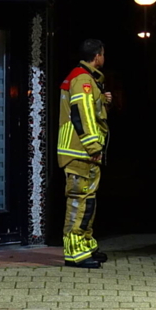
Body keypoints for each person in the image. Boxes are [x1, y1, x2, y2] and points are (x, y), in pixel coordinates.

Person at [56, 39, 111, 268]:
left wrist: (103, 100)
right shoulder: (83, 80)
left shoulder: (84, 78)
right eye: (103, 54)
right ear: (97, 56)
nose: (104, 58)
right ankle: (75, 253)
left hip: (81, 151)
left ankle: (86, 246)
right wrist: (93, 147)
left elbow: (89, 109)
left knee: (87, 201)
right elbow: (82, 114)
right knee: (79, 203)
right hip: (80, 152)